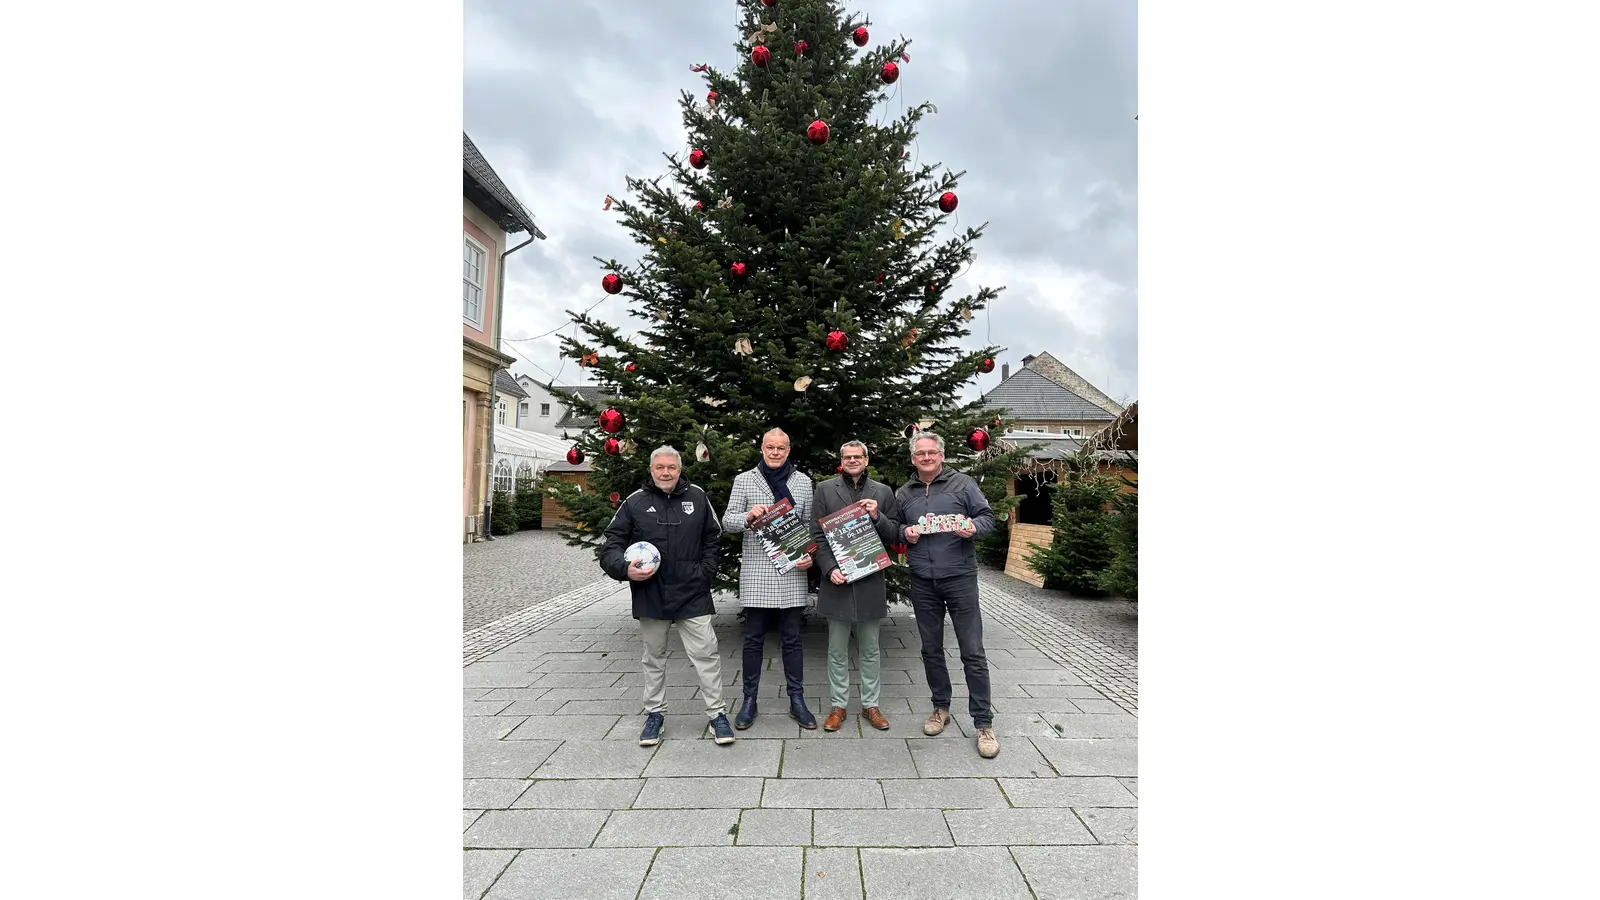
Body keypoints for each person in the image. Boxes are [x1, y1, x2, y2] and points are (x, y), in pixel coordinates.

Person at [600, 445, 736, 747]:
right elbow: (611, 543)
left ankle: (717, 715)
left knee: (707, 655)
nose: (665, 472)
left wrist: (705, 571)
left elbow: (713, 536)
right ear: (651, 470)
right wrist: (624, 568)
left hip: (693, 592)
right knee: (653, 657)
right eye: (659, 467)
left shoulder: (697, 497)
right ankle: (655, 715)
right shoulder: (635, 502)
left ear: (680, 469)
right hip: (651, 592)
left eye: (671, 467)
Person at [895, 432, 1000, 758]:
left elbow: (988, 518)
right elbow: (895, 528)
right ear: (913, 459)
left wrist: (973, 528)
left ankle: (983, 722)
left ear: (941, 455)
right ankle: (940, 708)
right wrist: (906, 533)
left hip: (960, 578)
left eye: (931, 452)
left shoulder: (963, 484)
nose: (926, 458)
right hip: (923, 581)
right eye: (920, 454)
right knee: (931, 649)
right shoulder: (905, 493)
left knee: (973, 651)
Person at [721, 427, 819, 729]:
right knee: (753, 640)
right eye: (770, 447)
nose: (775, 452)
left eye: (781, 448)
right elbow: (727, 521)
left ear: (788, 450)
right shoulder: (745, 480)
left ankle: (797, 700)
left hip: (791, 571)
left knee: (792, 640)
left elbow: (808, 525)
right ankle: (749, 701)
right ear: (762, 448)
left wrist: (809, 555)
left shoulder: (802, 482)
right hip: (757, 572)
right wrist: (747, 516)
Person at [808, 440, 901, 732]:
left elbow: (894, 533)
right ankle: (838, 705)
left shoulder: (883, 492)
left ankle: (871, 704)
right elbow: (816, 534)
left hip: (870, 579)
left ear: (866, 459)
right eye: (847, 456)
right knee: (836, 649)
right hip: (838, 581)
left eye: (857, 456)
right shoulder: (825, 489)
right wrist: (829, 568)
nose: (852, 460)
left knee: (870, 649)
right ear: (841, 460)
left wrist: (877, 516)